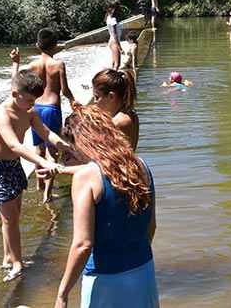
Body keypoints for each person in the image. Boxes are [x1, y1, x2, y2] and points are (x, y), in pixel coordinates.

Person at [43, 105, 158, 308]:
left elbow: (83, 244)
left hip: (104, 278)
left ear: (82, 142)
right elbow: (151, 226)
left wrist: (62, 293)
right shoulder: (141, 165)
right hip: (144, 271)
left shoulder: (85, 177)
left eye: (72, 145)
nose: (71, 151)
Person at [0, 48, 75, 282]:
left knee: (14, 214)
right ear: (15, 95)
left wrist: (66, 146)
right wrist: (43, 161)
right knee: (9, 217)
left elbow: (46, 133)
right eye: (31, 100)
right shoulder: (2, 114)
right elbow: (14, 145)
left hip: (13, 165)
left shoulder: (28, 110)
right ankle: (17, 264)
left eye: (35, 100)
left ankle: (7, 256)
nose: (34, 104)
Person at [29, 28, 77, 203]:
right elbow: (64, 90)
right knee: (52, 151)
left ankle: (39, 184)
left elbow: (29, 89)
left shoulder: (32, 65)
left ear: (37, 45)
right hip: (52, 109)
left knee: (38, 150)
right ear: (56, 46)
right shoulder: (58, 64)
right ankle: (47, 195)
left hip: (36, 108)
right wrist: (73, 100)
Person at [90, 68, 139, 150]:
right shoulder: (131, 114)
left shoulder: (118, 122)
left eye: (97, 97)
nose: (95, 102)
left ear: (111, 96)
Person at [105, 4, 122, 70]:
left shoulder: (108, 17)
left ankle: (110, 75)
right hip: (114, 42)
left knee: (114, 63)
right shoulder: (113, 20)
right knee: (117, 64)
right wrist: (119, 47)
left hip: (111, 41)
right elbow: (115, 34)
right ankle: (113, 76)